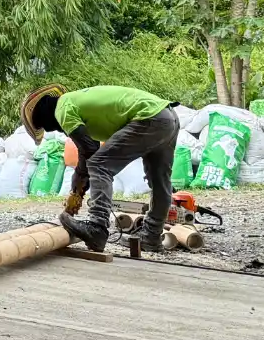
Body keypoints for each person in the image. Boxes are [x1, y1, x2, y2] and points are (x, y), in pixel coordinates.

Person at [23, 84, 179, 253]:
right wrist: (80, 183)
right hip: (167, 116)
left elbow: (89, 150)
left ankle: (97, 227)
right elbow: (90, 148)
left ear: (45, 116)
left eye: (46, 126)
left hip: (149, 118)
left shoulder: (63, 109)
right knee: (159, 179)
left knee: (99, 165)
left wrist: (79, 178)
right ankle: (151, 236)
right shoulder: (75, 101)